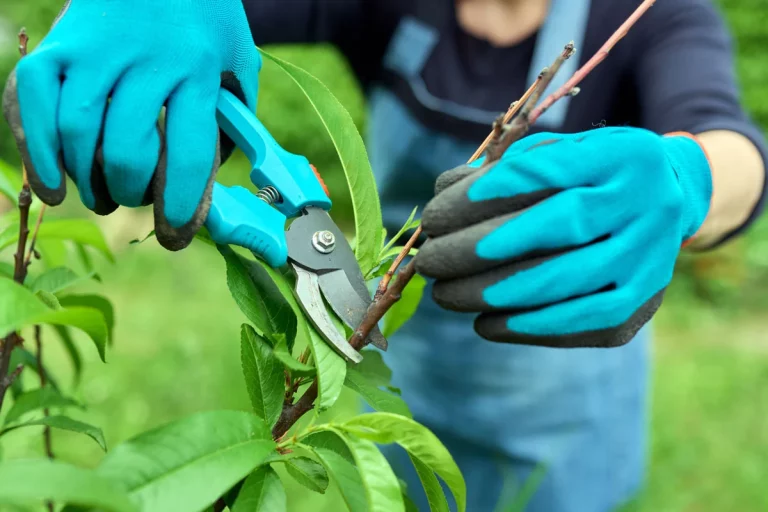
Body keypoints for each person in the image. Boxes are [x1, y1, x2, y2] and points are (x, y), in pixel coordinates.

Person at [4, 0, 767, 510]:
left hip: (567, 363)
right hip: (398, 350)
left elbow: (733, 145)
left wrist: (689, 178)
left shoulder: (655, 15)